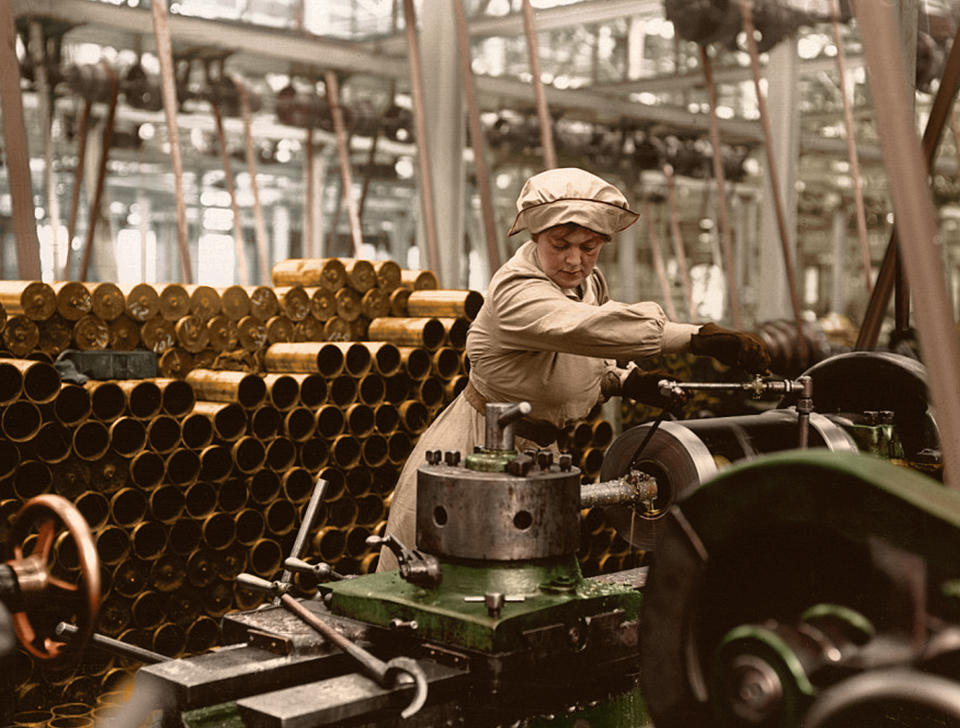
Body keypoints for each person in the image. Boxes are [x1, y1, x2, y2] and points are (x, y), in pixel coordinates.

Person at [377, 167, 770, 571]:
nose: (573, 260)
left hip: (541, 453)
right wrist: (697, 337)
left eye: (589, 247)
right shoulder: (516, 291)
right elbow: (587, 329)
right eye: (560, 244)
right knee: (448, 578)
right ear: (536, 237)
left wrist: (625, 380)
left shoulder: (588, 284)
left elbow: (580, 358)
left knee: (530, 580)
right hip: (476, 452)